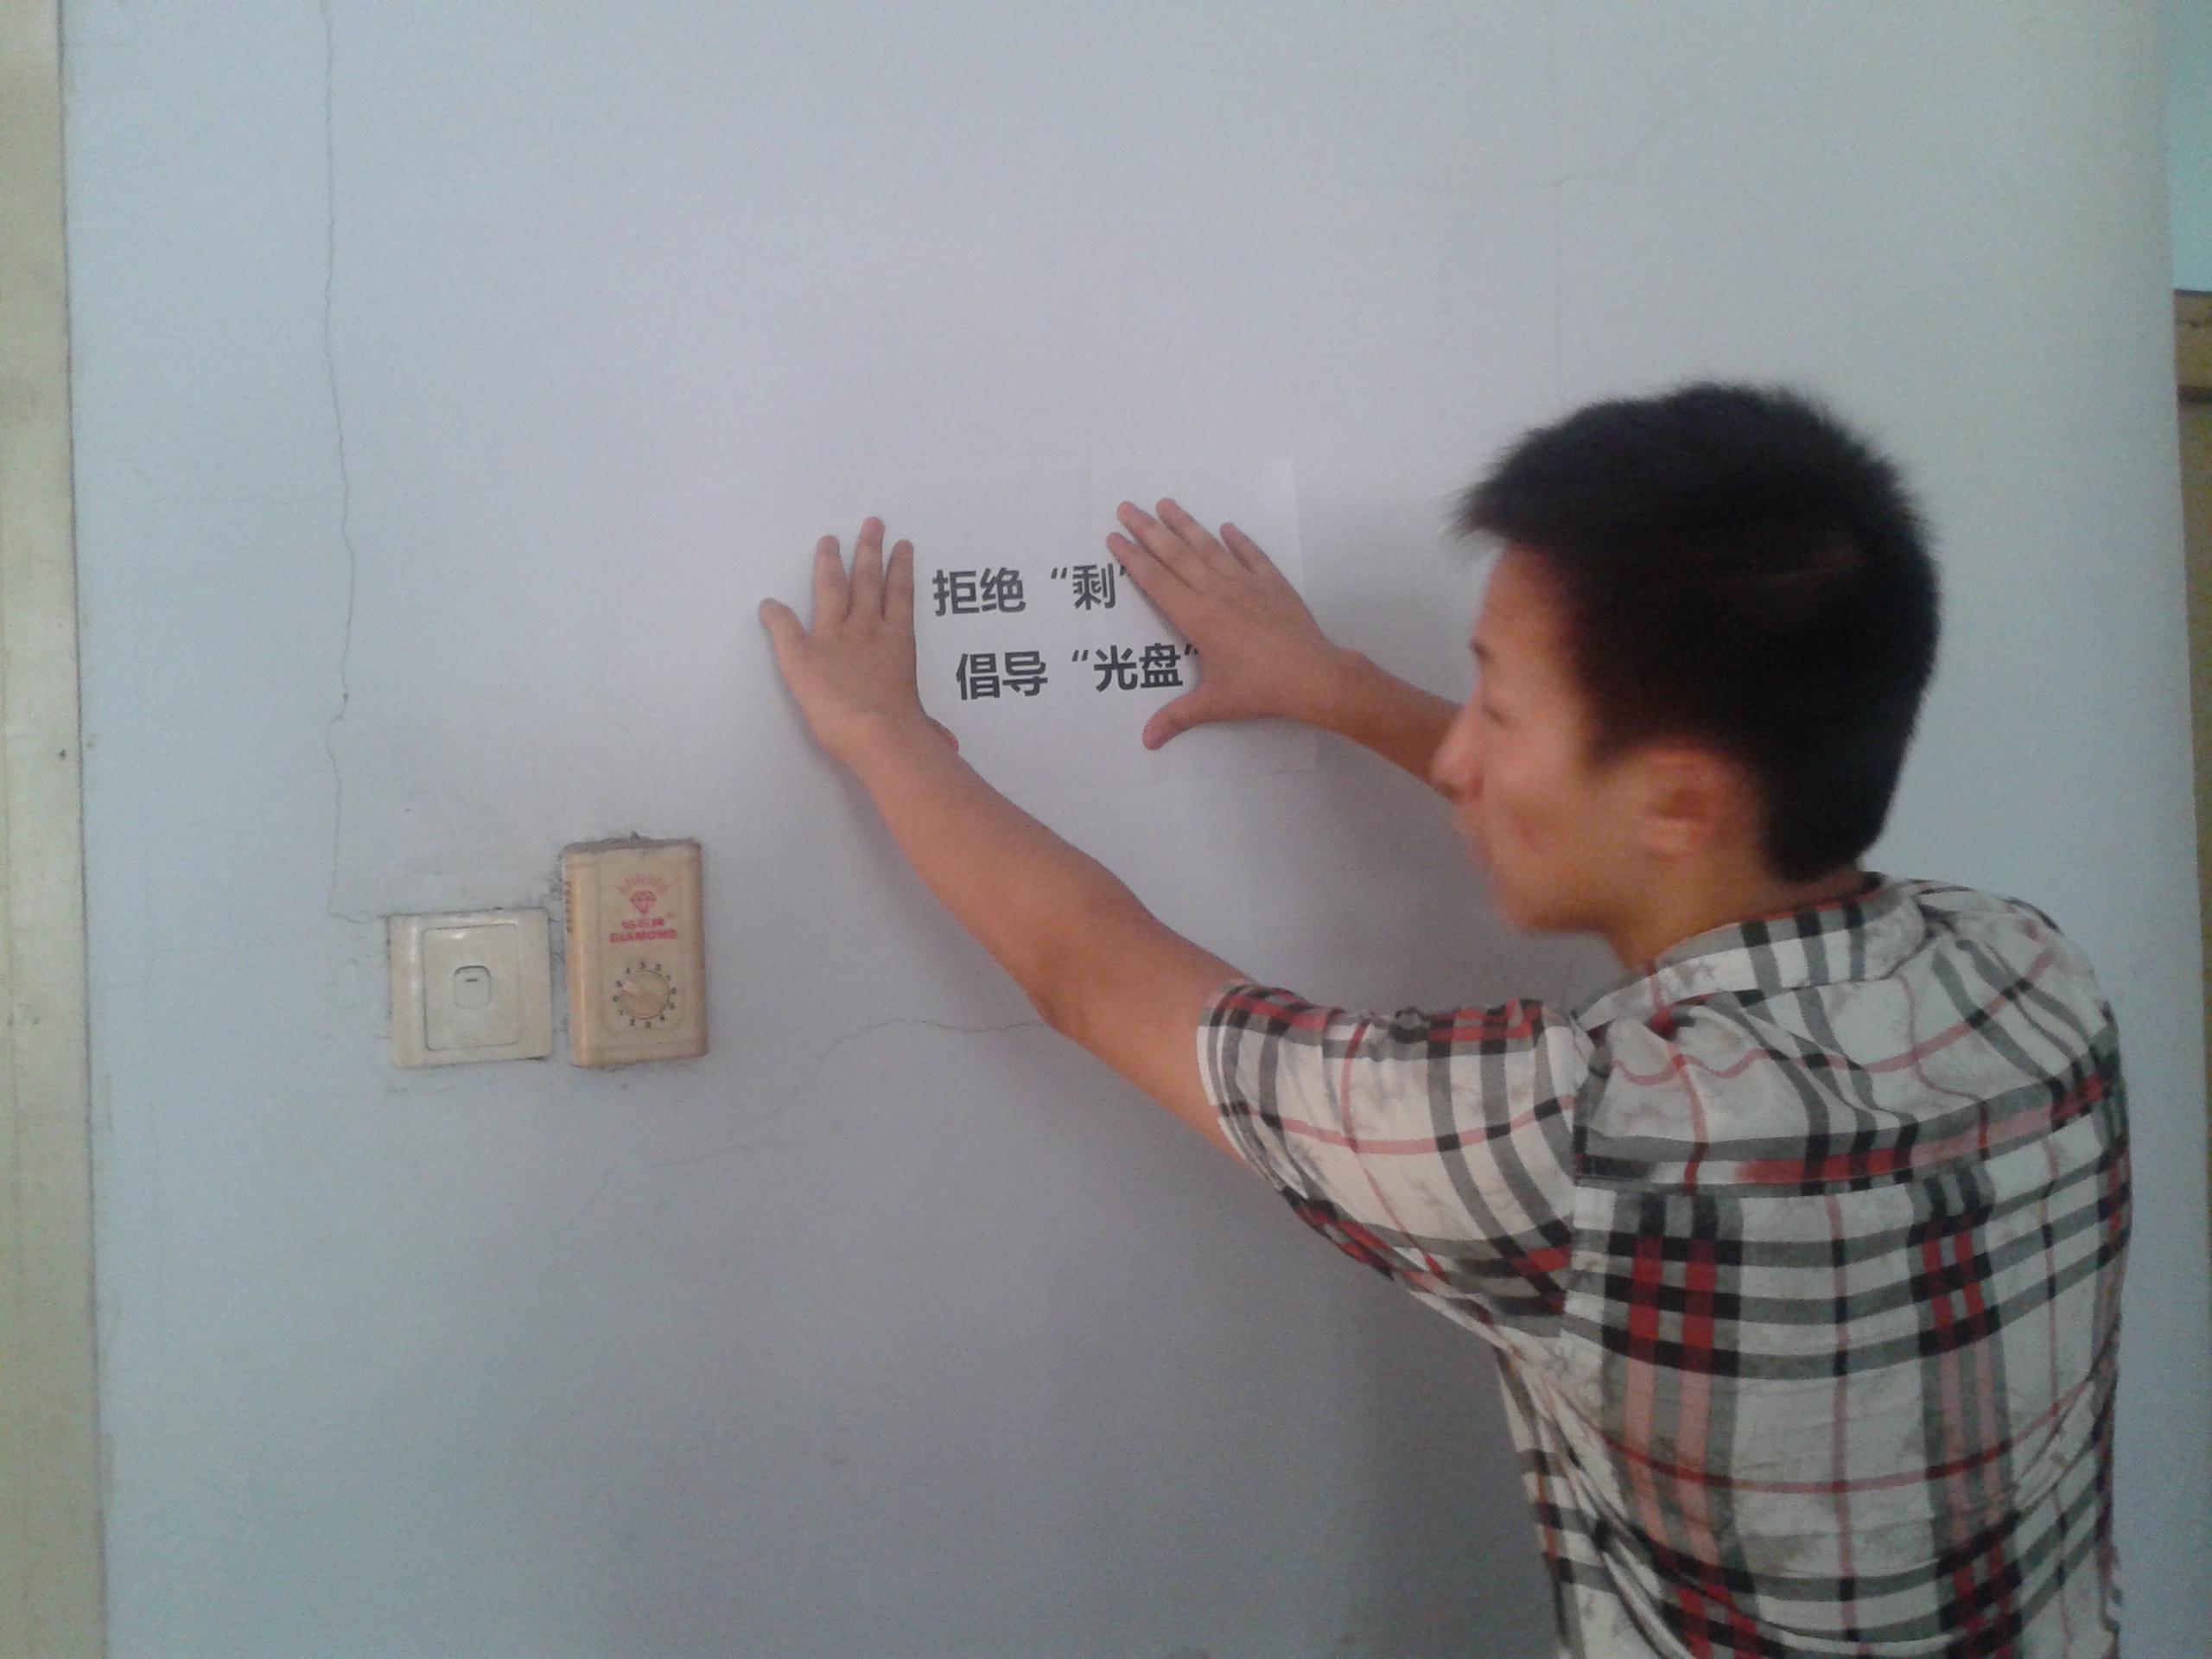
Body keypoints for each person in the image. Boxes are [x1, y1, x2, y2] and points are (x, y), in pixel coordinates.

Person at [759, 383, 2128, 1657]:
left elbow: (1092, 972)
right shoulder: (2030, 974)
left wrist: (886, 734)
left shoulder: (1586, 1149)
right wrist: (1328, 684)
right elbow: (1664, 836)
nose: (1460, 749)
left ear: (1679, 799)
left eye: (1500, 711)